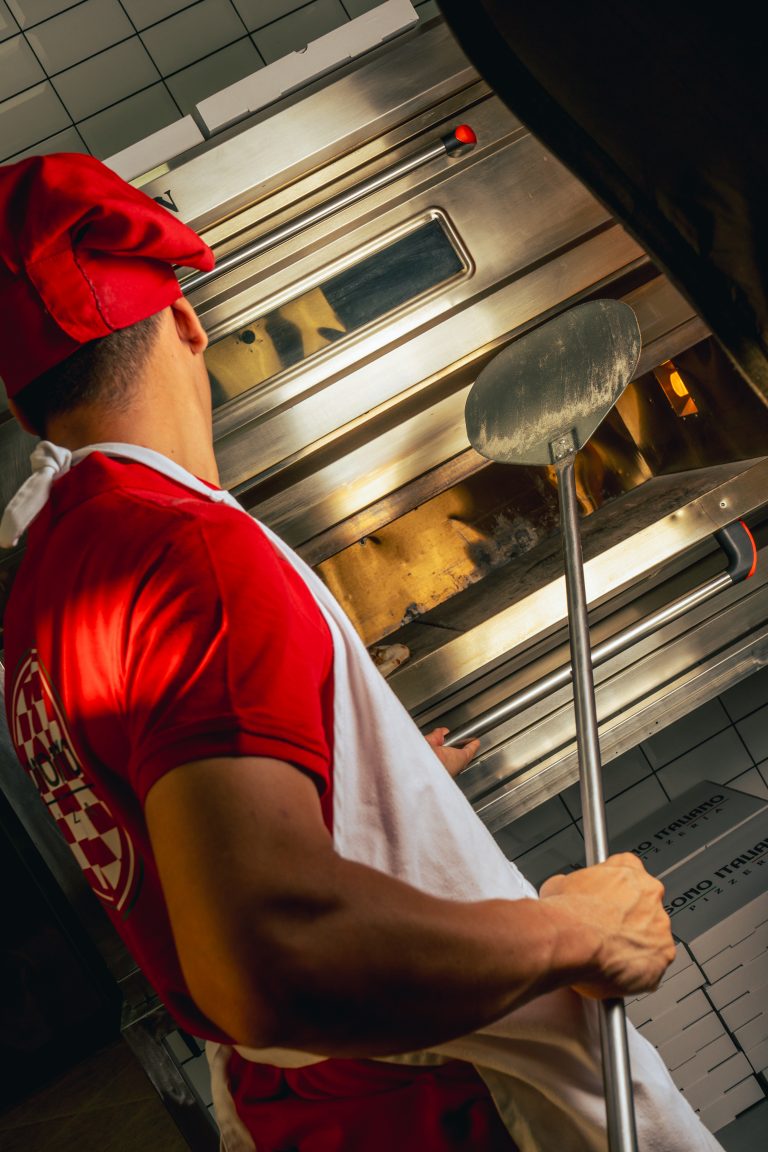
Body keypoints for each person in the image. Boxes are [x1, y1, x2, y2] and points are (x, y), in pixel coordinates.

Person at [0, 153, 723, 1152]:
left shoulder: (48, 580)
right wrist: (581, 932)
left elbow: (176, 830)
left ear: (24, 405)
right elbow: (273, 960)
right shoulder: (187, 551)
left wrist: (348, 783)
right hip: (441, 1102)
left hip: (311, 1110)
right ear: (186, 323)